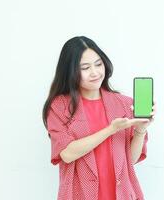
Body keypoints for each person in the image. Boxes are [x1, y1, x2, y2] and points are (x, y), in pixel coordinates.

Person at [42, 36, 156, 200]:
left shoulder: (124, 104)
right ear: (70, 71)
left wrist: (141, 129)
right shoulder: (59, 107)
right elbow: (67, 153)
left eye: (98, 64)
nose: (95, 72)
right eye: (85, 67)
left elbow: (129, 160)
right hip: (79, 195)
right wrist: (112, 129)